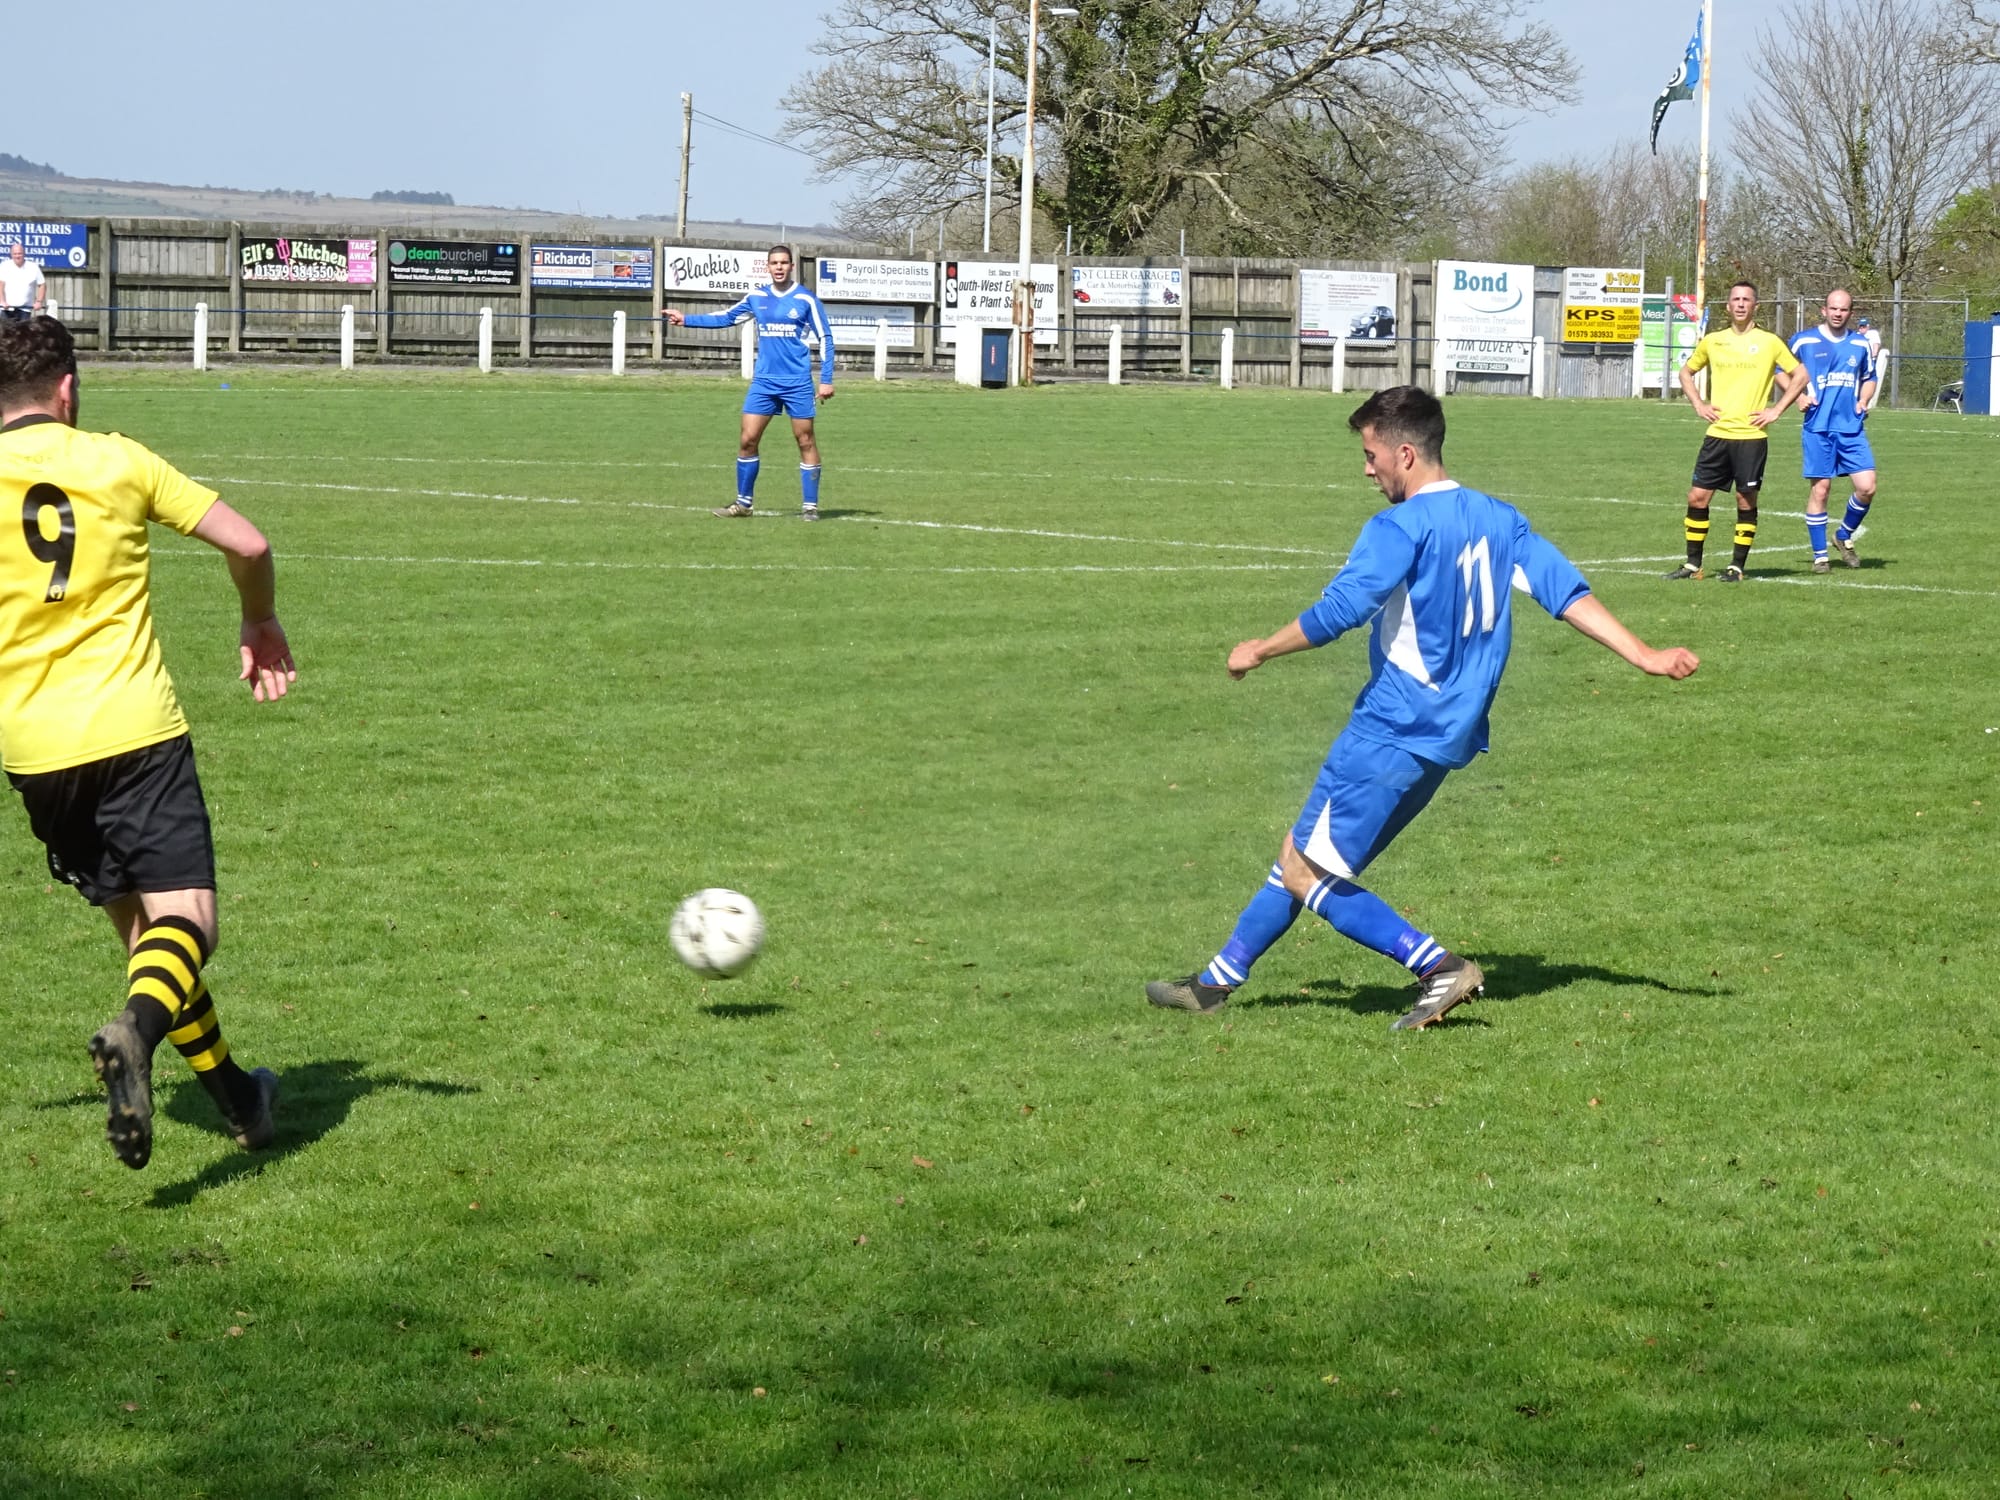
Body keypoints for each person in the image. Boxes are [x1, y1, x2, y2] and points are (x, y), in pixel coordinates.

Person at [1146, 385, 1700, 1032]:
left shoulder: (1398, 527)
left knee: (1305, 868)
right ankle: (1215, 982)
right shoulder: (1499, 518)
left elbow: (1341, 611)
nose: (1366, 468)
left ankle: (1435, 965)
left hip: (1391, 726)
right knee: (1305, 850)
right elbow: (1562, 590)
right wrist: (1645, 655)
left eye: (1371, 453)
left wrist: (1260, 650)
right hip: (1449, 735)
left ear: (1405, 453)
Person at [0, 315, 296, 1169]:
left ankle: (241, 1101)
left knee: (143, 942)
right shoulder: (119, 460)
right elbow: (250, 541)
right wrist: (257, 616)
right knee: (186, 924)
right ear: (66, 391)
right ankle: (134, 1034)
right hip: (135, 732)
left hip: (36, 755)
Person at [665, 244, 835, 521]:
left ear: (792, 266)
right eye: (774, 263)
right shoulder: (757, 297)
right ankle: (743, 504)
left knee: (805, 440)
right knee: (747, 439)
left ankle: (810, 507)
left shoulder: (806, 300)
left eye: (784, 263)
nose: (779, 267)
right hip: (764, 382)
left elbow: (826, 338)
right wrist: (686, 319)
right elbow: (727, 317)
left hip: (797, 382)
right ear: (767, 267)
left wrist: (826, 380)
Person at [1666, 280, 1809, 582]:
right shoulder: (1713, 341)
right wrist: (1698, 404)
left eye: (1747, 299)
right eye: (1736, 299)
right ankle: (1693, 565)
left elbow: (1801, 374)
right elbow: (1685, 372)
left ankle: (1737, 566)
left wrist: (1776, 410)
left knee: (1745, 501)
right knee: (1697, 497)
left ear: (1755, 305)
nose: (1741, 304)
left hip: (1751, 438)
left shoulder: (1770, 342)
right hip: (1717, 435)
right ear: (1728, 306)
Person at [1788, 289, 1879, 572]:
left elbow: (1869, 378)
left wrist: (1864, 399)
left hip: (1850, 428)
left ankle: (1842, 535)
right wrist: (1798, 396)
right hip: (1818, 427)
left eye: (1844, 309)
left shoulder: (1859, 344)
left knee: (1867, 487)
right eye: (1833, 308)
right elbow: (1780, 370)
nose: (1838, 313)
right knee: (1821, 490)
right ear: (1824, 310)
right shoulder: (1803, 341)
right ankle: (1820, 557)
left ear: (1850, 313)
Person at [0, 243, 46, 322]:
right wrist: (2, 301)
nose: (17, 256)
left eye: (19, 253)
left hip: (25, 310)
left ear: (24, 254)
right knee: (6, 334)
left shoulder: (33, 267)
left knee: (23, 334)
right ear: (11, 254)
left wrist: (38, 301)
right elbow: (1, 285)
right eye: (15, 254)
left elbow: (42, 284)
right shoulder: (4, 266)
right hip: (6, 309)